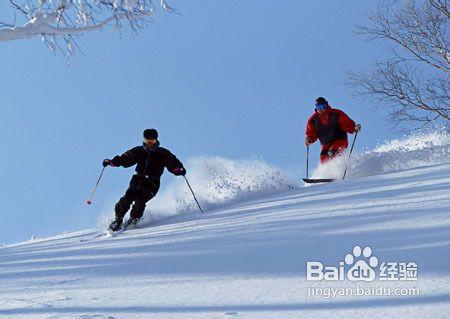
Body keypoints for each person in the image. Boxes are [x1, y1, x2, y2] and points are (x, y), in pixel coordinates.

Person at [103, 128, 186, 231]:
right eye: (148, 141)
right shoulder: (139, 151)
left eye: (152, 141)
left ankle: (134, 219)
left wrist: (178, 170)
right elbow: (125, 160)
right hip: (137, 179)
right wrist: (111, 162)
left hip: (152, 183)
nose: (150, 144)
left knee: (140, 201)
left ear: (156, 140)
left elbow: (173, 164)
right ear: (144, 140)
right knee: (127, 198)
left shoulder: (163, 153)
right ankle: (118, 219)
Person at [305, 97, 361, 163]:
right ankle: (328, 172)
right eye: (318, 107)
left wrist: (354, 128)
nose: (321, 109)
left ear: (326, 105)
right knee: (323, 157)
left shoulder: (336, 114)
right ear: (316, 108)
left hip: (340, 140)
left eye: (323, 106)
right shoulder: (313, 120)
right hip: (326, 144)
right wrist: (309, 139)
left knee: (332, 152)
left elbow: (347, 123)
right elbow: (311, 132)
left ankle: (344, 166)